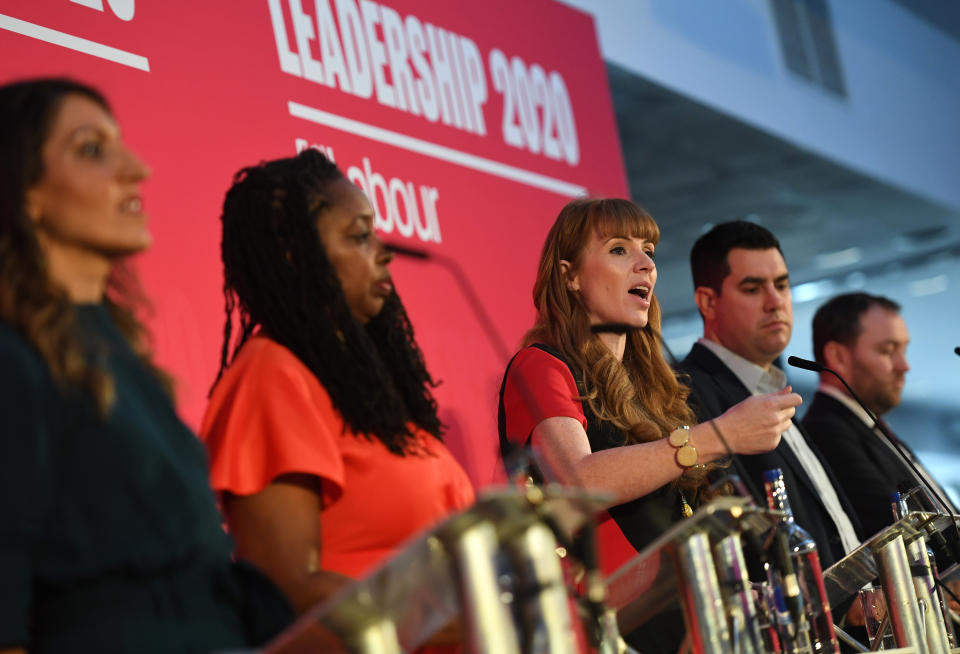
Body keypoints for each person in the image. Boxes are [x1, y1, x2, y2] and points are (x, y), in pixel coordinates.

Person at [0, 78, 290, 653]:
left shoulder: (116, 352)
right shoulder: (12, 360)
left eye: (121, 145)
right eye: (92, 150)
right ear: (24, 191)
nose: (137, 169)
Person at [499, 198, 799, 654]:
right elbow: (577, 480)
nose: (645, 265)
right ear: (570, 275)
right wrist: (716, 436)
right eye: (620, 250)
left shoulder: (655, 392)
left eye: (649, 251)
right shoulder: (540, 366)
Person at [201, 149, 475, 622]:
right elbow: (287, 589)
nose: (384, 252)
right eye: (360, 236)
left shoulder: (365, 395)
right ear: (294, 252)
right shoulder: (272, 374)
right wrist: (457, 618)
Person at [676, 220, 863, 568]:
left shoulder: (773, 386)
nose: (775, 302)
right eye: (752, 288)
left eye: (782, 284)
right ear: (708, 302)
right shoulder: (686, 392)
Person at [802, 292, 955, 538]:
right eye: (888, 350)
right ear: (838, 357)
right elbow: (893, 528)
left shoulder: (870, 426)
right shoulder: (826, 430)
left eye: (903, 350)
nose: (904, 366)